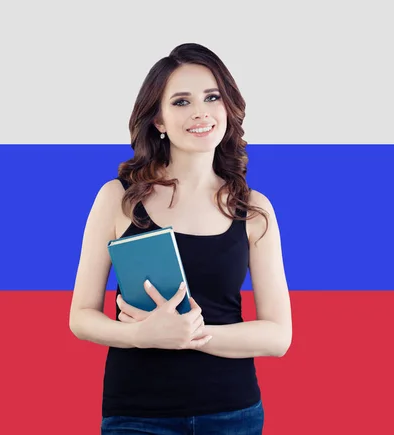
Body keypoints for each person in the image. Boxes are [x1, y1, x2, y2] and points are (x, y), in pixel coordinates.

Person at [69, 42, 293, 435]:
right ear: (158, 120)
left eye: (212, 97)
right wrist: (139, 335)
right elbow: (81, 317)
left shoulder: (254, 209)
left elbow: (278, 336)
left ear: (228, 107)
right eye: (181, 102)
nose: (200, 112)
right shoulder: (118, 199)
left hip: (233, 414)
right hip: (137, 414)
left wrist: (189, 336)